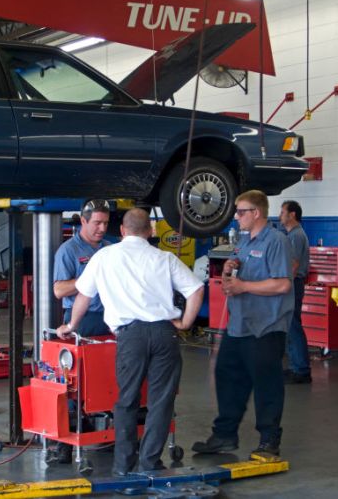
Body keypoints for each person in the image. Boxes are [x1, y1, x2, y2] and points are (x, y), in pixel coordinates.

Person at [57, 208, 204, 476]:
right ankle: (150, 463)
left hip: (130, 336)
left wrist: (70, 326)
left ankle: (123, 467)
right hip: (164, 334)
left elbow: (83, 296)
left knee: (127, 400)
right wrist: (185, 323)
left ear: (122, 231)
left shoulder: (104, 256)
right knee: (161, 401)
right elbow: (196, 288)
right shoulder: (164, 257)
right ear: (149, 231)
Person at [192, 190, 293, 458]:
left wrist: (243, 286)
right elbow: (239, 276)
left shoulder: (277, 241)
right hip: (239, 324)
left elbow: (283, 284)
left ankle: (269, 440)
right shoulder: (244, 242)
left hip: (266, 326)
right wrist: (230, 270)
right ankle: (224, 435)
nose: (236, 217)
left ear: (256, 213)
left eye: (240, 212)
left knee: (266, 384)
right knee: (227, 375)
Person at [53, 199, 113, 337]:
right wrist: (91, 279)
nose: (102, 228)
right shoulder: (68, 250)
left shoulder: (109, 248)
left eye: (106, 223)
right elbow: (59, 290)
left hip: (109, 317)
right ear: (83, 221)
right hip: (83, 319)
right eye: (97, 223)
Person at [280, 200, 312, 384]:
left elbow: (293, 265)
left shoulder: (296, 236)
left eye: (282, 212)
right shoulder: (292, 235)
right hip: (292, 283)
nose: (280, 216)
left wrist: (281, 285)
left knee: (293, 325)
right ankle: (295, 366)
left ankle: (301, 370)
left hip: (293, 284)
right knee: (290, 325)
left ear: (292, 214)